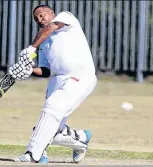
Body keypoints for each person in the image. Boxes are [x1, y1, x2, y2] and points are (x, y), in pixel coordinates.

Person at [8, 5, 97, 164]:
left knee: (52, 107)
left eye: (42, 15)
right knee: (52, 131)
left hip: (80, 76)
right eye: (36, 19)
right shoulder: (44, 43)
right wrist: (28, 70)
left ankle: (33, 153)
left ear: (52, 13)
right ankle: (81, 139)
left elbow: (51, 27)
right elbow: (46, 70)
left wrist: (31, 48)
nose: (39, 20)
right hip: (56, 80)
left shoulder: (66, 18)